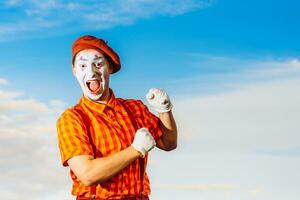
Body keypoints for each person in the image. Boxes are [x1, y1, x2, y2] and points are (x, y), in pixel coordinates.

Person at [56, 35, 177, 200]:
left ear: (110, 67)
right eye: (83, 65)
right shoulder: (71, 119)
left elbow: (169, 143)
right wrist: (135, 150)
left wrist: (165, 110)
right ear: (74, 71)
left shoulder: (135, 108)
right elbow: (88, 174)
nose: (91, 72)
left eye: (98, 64)